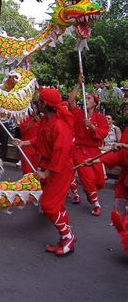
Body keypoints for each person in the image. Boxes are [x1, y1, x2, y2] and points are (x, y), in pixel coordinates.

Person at [14, 88, 76, 256]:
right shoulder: (45, 120)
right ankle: (67, 236)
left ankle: (68, 237)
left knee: (49, 205)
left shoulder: (59, 124)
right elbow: (40, 139)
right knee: (56, 204)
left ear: (45, 104)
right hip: (51, 166)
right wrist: (24, 143)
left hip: (60, 169)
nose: (37, 104)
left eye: (39, 101)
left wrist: (47, 173)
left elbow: (61, 151)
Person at [69, 74, 109, 216]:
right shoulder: (79, 114)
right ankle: (97, 204)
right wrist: (78, 84)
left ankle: (89, 191)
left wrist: (91, 126)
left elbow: (103, 133)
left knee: (99, 182)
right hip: (80, 151)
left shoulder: (101, 118)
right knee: (88, 179)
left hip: (95, 152)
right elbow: (71, 101)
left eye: (89, 98)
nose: (86, 100)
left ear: (95, 103)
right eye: (85, 98)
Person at [17, 103, 40, 174]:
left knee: (34, 170)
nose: (34, 110)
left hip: (36, 148)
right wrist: (32, 122)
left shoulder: (40, 120)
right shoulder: (25, 118)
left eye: (36, 108)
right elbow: (22, 131)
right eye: (33, 108)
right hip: (26, 147)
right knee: (27, 171)